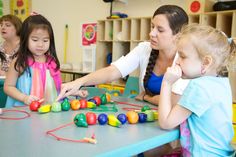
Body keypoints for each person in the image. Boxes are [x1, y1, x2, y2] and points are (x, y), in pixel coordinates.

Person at [56, 5, 189, 106]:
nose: (152, 33)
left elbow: (174, 101)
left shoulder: (187, 60)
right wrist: (79, 82)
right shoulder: (144, 48)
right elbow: (113, 71)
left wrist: (146, 98)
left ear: (178, 35)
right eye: (152, 27)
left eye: (160, 30)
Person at [159, 24, 236, 156]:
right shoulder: (222, 83)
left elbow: (166, 123)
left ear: (206, 62)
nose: (177, 62)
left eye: (182, 56)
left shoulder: (199, 87)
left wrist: (166, 83)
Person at [4, 14, 87, 107]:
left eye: (45, 40)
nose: (40, 44)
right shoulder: (20, 62)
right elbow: (8, 87)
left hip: (46, 112)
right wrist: (24, 98)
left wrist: (74, 92)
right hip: (23, 111)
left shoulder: (51, 63)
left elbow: (57, 87)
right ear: (25, 39)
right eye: (35, 40)